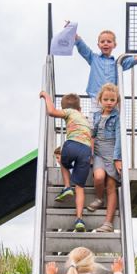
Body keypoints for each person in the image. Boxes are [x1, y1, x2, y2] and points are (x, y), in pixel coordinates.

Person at [40, 90, 91, 231]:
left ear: (66, 108)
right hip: (86, 150)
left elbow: (51, 111)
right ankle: (79, 219)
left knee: (63, 161)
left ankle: (67, 187)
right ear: (80, 108)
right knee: (80, 187)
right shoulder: (84, 118)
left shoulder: (69, 112)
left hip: (73, 144)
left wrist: (46, 96)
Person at [75, 27, 137, 103]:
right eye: (102, 41)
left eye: (109, 41)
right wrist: (74, 34)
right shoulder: (93, 58)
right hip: (96, 97)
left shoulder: (117, 63)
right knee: (96, 118)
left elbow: (133, 60)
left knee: (112, 119)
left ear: (114, 45)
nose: (105, 43)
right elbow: (83, 48)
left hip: (112, 98)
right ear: (98, 45)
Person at [89, 82, 122, 233]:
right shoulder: (96, 116)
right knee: (99, 177)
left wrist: (117, 158)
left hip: (112, 154)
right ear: (100, 100)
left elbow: (119, 138)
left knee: (111, 186)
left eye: (112, 100)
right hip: (99, 154)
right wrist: (89, 153)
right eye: (106, 99)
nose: (109, 103)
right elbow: (92, 135)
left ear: (117, 101)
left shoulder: (117, 117)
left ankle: (108, 223)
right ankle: (99, 198)